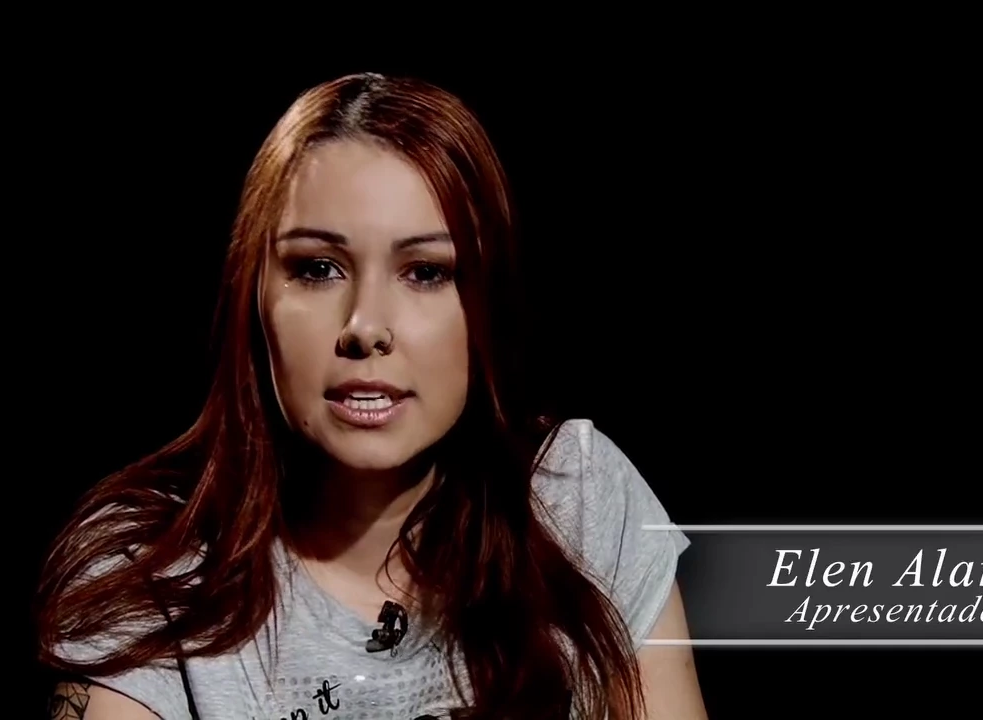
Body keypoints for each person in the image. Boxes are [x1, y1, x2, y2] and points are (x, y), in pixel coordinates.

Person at [37, 72, 708, 720]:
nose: (364, 327)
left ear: (488, 305)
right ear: (253, 299)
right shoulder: (150, 567)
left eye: (426, 272)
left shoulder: (575, 498)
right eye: (318, 268)